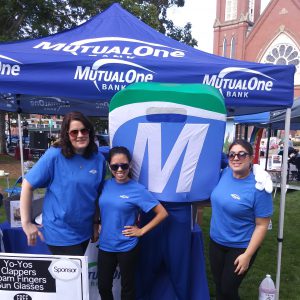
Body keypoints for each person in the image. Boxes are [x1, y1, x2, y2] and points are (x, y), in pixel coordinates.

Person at [20, 111, 106, 256]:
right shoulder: (54, 155)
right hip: (59, 232)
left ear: (90, 132)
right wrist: (26, 223)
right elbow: (27, 185)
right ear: (67, 134)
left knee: (74, 276)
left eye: (84, 130)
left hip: (84, 230)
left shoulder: (98, 159)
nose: (80, 135)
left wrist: (95, 223)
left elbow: (96, 194)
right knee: (71, 277)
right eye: (74, 132)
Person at [97, 146, 168, 300]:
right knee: (103, 286)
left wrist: (141, 231)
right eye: (115, 166)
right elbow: (97, 206)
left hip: (127, 246)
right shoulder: (104, 185)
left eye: (124, 165)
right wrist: (97, 223)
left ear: (130, 165)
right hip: (105, 245)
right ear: (109, 166)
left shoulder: (138, 190)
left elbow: (162, 213)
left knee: (128, 288)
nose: (120, 169)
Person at [209, 139, 273, 300]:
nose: (236, 158)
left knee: (228, 290)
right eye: (232, 155)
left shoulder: (259, 187)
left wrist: (248, 255)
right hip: (216, 242)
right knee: (218, 286)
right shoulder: (224, 174)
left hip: (240, 247)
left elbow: (262, 225)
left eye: (241, 154)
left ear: (251, 158)